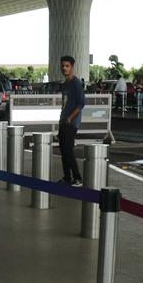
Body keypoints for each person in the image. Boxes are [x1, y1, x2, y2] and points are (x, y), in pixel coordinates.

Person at [58, 55, 85, 186]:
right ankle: (67, 177)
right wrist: (62, 119)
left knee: (68, 150)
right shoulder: (64, 84)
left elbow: (81, 104)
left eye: (67, 66)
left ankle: (78, 178)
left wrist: (70, 117)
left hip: (71, 122)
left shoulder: (76, 83)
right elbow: (64, 104)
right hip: (63, 121)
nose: (64, 68)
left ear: (72, 67)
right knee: (63, 150)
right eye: (63, 65)